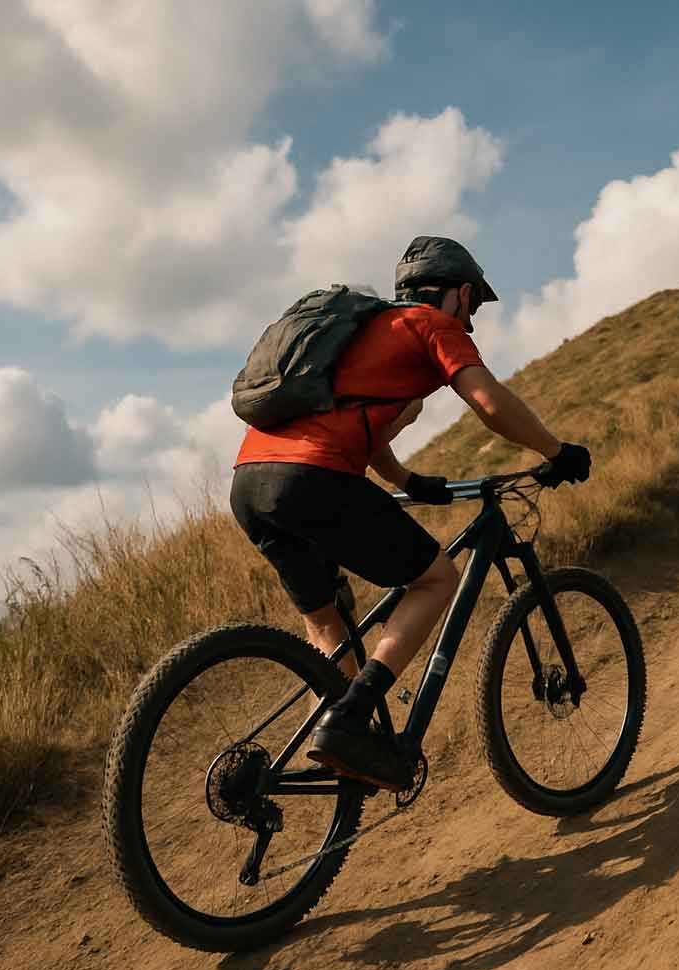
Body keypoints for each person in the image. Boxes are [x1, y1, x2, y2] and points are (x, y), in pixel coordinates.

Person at [229, 236, 591, 790]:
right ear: (460, 294)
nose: (468, 324)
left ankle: (340, 742)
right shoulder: (431, 326)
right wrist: (555, 451)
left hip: (251, 479)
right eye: (471, 309)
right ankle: (351, 719)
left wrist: (409, 482)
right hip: (313, 478)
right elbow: (489, 402)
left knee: (326, 620)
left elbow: (363, 427)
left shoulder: (361, 333)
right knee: (436, 578)